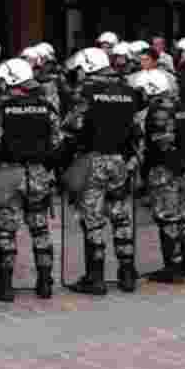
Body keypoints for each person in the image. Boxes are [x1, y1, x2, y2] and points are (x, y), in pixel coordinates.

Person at [0, 58, 61, 301]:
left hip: (9, 174)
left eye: (4, 80)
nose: (1, 85)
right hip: (38, 174)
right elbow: (57, 142)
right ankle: (45, 282)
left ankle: (5, 286)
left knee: (6, 230)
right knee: (40, 228)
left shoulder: (2, 108)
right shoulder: (47, 107)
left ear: (12, 80)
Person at [63, 46, 143, 295]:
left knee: (93, 220)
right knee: (120, 217)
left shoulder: (86, 91)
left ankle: (95, 278)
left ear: (87, 67)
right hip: (120, 161)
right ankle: (128, 273)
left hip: (93, 160)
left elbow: (73, 125)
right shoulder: (129, 91)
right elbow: (137, 130)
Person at [133, 69, 185, 283]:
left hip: (164, 170)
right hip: (182, 168)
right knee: (182, 217)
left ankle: (172, 268)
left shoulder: (158, 110)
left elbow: (161, 142)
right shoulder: (180, 106)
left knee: (167, 218)